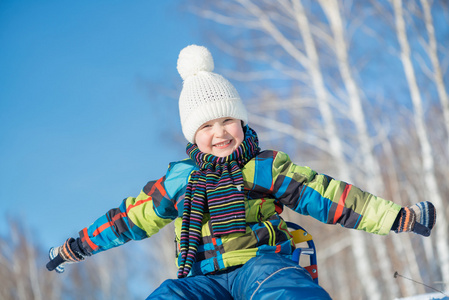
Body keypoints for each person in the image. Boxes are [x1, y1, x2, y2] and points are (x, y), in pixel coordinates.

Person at [47, 45, 436, 300]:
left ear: (242, 121)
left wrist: (397, 217)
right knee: (168, 295)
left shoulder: (263, 168)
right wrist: (77, 246)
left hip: (262, 263)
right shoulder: (180, 181)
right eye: (205, 126)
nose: (219, 133)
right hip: (202, 279)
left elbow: (326, 194)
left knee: (283, 289)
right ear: (191, 134)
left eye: (227, 121)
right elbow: (129, 219)